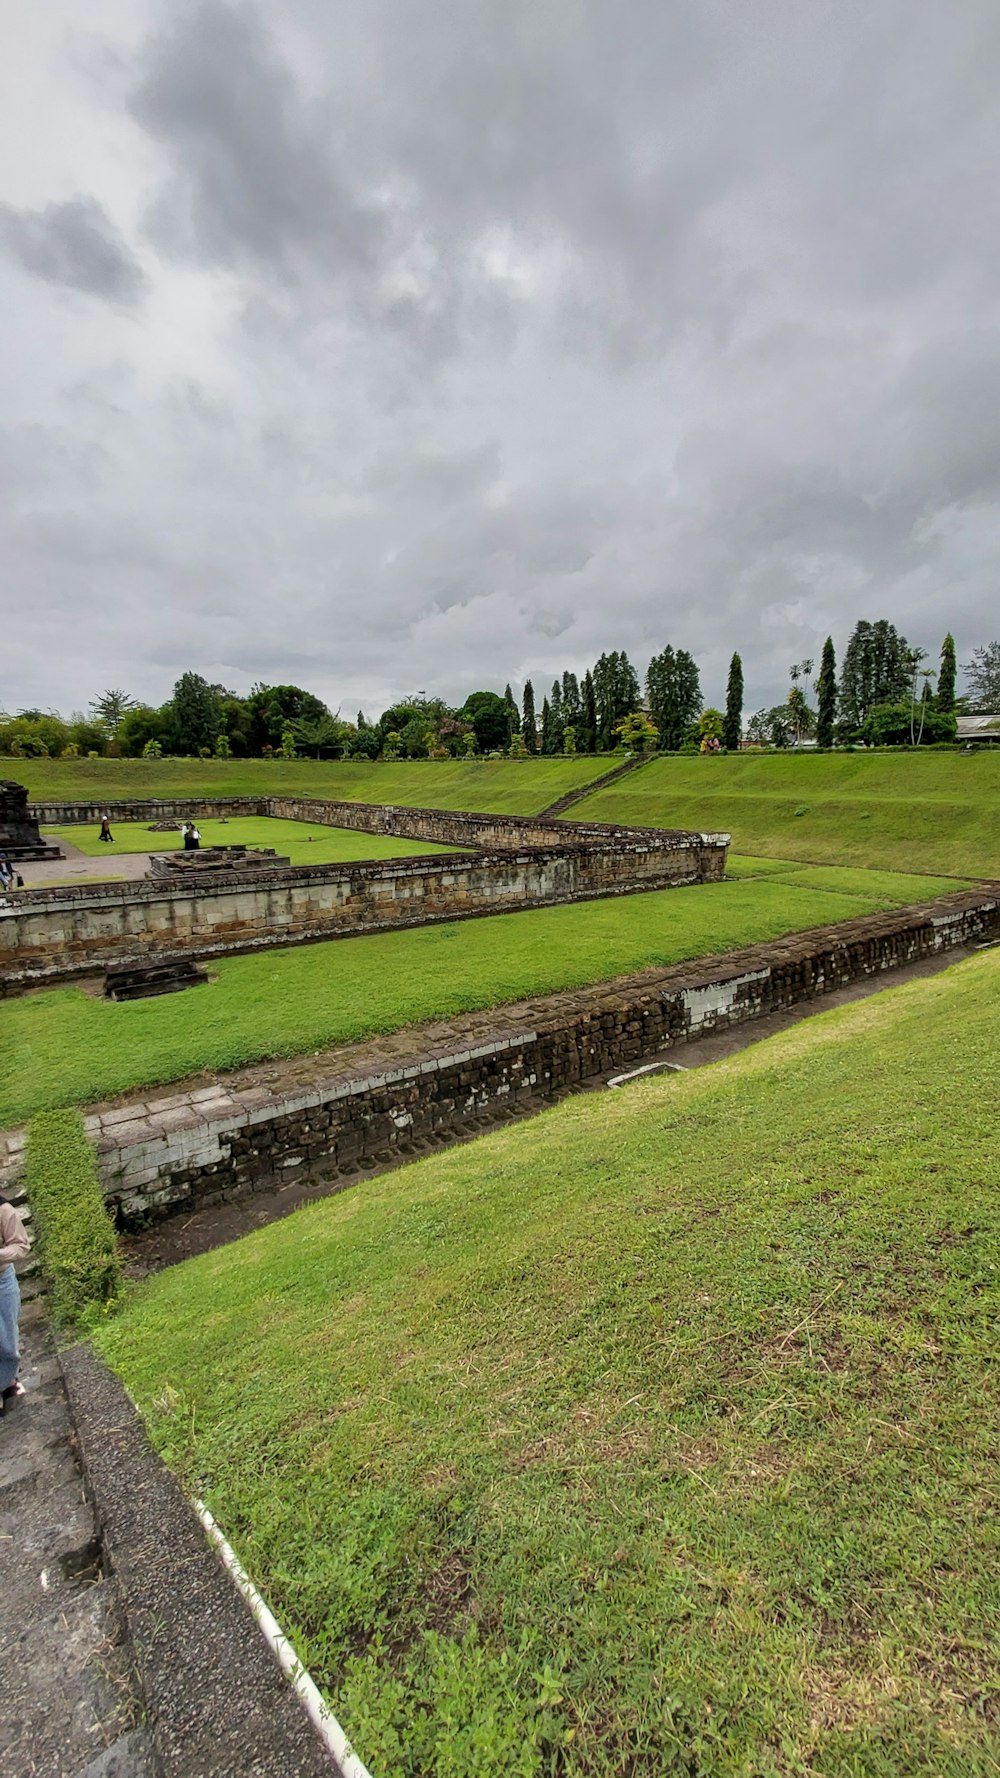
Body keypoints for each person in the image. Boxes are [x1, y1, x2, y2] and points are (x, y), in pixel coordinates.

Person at [0, 1195, 31, 1416]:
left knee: (8, 1344)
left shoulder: (4, 1210)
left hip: (1, 1279)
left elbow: (21, 1246)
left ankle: (7, 1380)